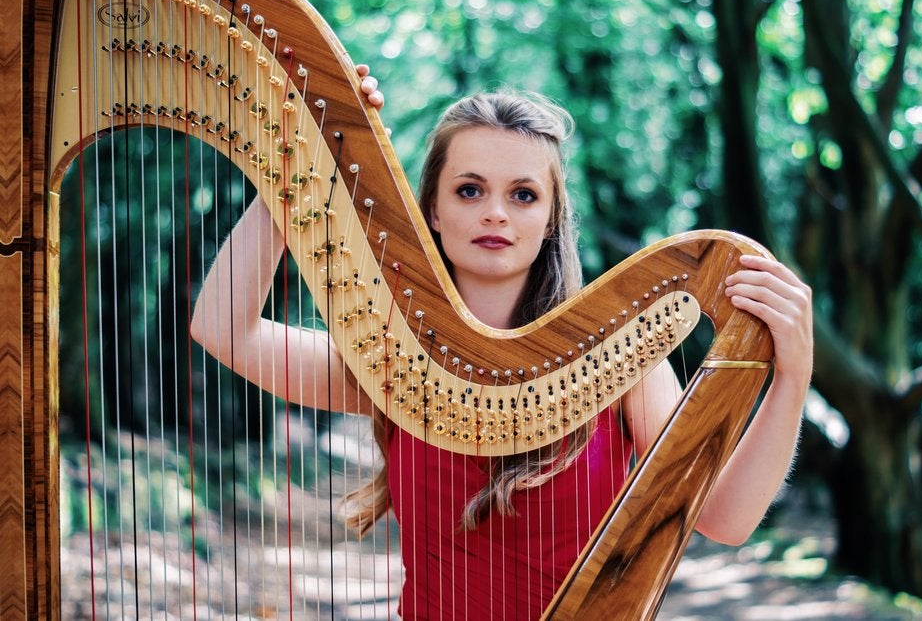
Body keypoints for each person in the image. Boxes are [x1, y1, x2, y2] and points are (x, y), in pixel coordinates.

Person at [190, 65, 814, 619]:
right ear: (431, 209)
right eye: (470, 189)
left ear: (549, 219)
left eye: (523, 195)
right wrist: (302, 156)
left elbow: (724, 520)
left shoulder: (622, 362)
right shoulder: (395, 362)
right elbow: (223, 328)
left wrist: (792, 377)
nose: (496, 213)